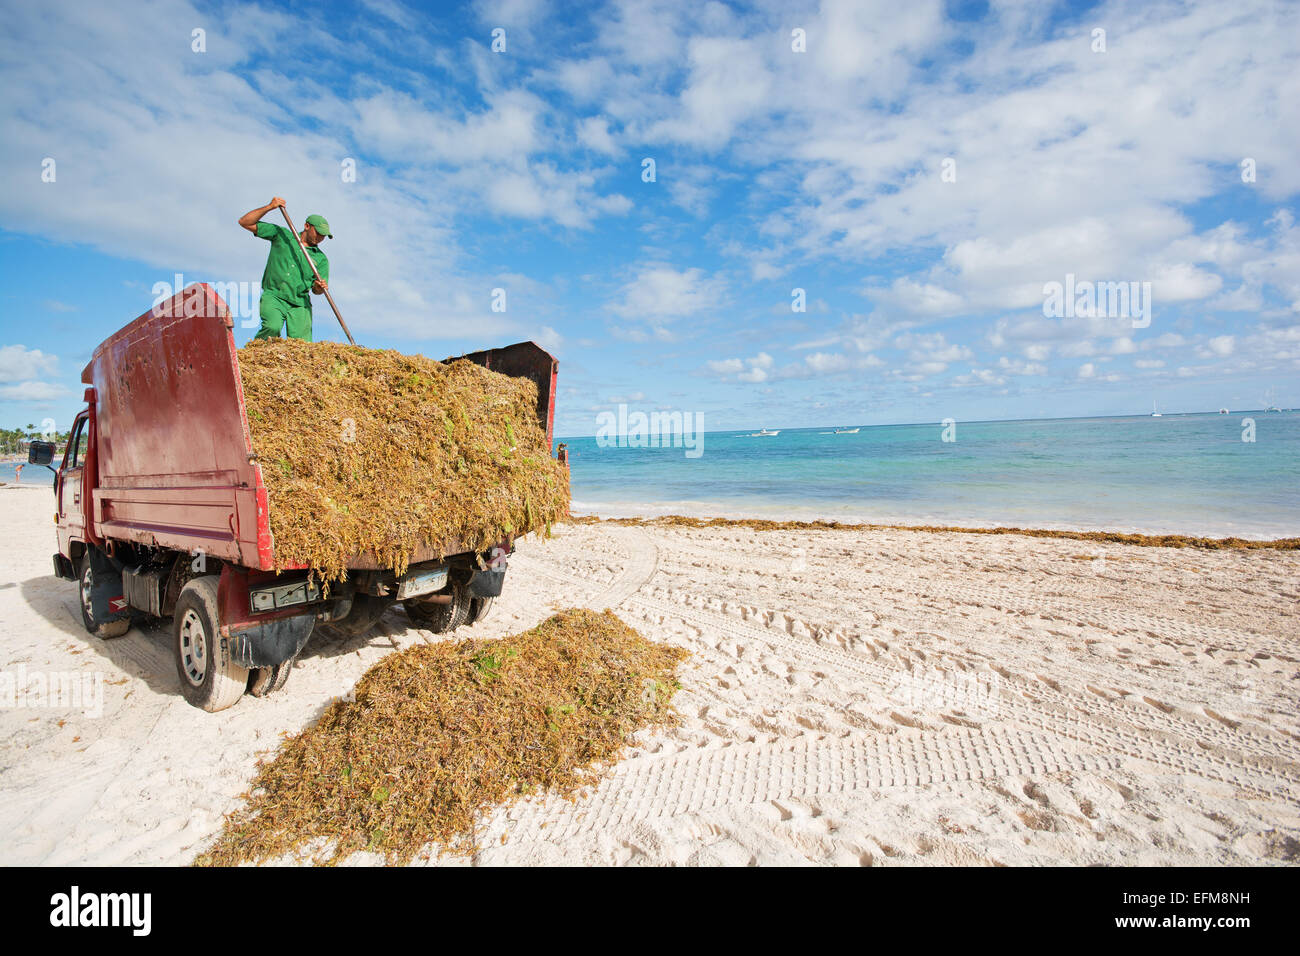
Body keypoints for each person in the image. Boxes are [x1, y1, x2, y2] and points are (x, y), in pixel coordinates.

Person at [238, 197, 332, 341]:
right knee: (272, 327)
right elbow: (244, 222)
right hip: (274, 295)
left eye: (324, 236)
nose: (320, 238)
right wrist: (269, 207)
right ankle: (254, 352)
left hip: (300, 303)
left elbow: (316, 290)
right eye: (318, 233)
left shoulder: (321, 259)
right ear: (307, 226)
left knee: (302, 346)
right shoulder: (282, 236)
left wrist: (319, 287)